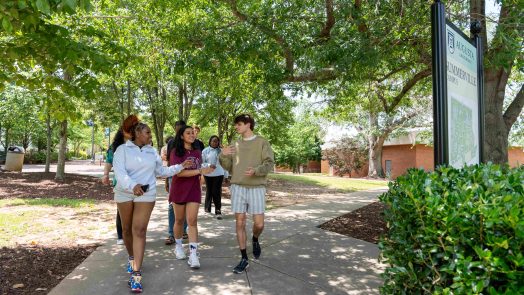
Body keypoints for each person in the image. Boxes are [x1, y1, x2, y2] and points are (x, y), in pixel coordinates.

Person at [113, 122, 192, 293]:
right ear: (137, 133)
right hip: (125, 192)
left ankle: (136, 274)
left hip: (146, 194)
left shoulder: (151, 151)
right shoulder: (122, 150)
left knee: (139, 230)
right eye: (147, 132)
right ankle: (132, 257)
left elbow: (161, 171)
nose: (150, 136)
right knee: (126, 230)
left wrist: (180, 167)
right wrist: (132, 185)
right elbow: (119, 172)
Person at [219, 114, 274, 274]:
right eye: (235, 125)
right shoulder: (234, 143)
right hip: (237, 186)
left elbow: (269, 162)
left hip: (257, 186)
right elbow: (229, 167)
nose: (236, 127)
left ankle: (255, 239)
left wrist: (256, 171)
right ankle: (244, 258)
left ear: (248, 124)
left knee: (259, 224)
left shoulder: (262, 142)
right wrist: (222, 155)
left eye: (239, 124)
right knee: (240, 222)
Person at [169, 125, 215, 269]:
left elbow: (199, 170)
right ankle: (178, 247)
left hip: (194, 189)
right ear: (181, 136)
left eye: (193, 133)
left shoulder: (197, 152)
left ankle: (193, 255)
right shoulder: (175, 151)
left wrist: (206, 170)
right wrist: (199, 170)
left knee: (192, 221)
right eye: (188, 133)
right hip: (179, 189)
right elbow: (179, 173)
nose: (192, 134)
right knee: (179, 220)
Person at [101, 115, 140, 246]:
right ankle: (121, 235)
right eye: (130, 129)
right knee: (121, 211)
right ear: (123, 131)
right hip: (121, 184)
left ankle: (133, 235)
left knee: (136, 210)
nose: (132, 132)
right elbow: (109, 161)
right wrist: (105, 174)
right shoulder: (115, 147)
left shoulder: (138, 145)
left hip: (137, 182)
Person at [165, 120, 189, 245]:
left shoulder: (191, 142)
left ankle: (183, 230)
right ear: (175, 129)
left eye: (182, 128)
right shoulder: (171, 143)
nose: (179, 130)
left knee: (185, 205)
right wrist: (167, 181)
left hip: (188, 178)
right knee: (171, 206)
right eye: (177, 128)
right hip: (173, 176)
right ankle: (171, 233)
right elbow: (169, 162)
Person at [202, 135, 225, 219]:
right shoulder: (205, 151)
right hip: (208, 173)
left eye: (216, 141)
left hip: (219, 173)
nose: (215, 142)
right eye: (213, 141)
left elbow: (225, 164)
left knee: (216, 191)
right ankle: (207, 207)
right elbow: (202, 162)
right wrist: (208, 165)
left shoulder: (221, 151)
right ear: (210, 141)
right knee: (209, 190)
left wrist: (226, 175)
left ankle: (218, 209)